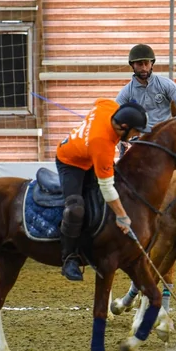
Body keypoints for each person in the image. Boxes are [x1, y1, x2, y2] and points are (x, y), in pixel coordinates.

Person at [55, 99, 148, 281]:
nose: (135, 135)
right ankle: (69, 258)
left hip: (89, 154)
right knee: (76, 208)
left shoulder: (109, 107)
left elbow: (99, 102)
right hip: (70, 162)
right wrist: (122, 216)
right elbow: (106, 188)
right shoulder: (102, 143)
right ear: (122, 127)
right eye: (135, 131)